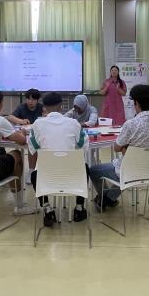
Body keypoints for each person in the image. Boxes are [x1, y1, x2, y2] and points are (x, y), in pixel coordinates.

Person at [88, 84, 149, 210]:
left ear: (137, 103)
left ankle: (105, 199)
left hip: (129, 170)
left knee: (93, 170)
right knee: (124, 170)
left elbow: (117, 148)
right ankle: (109, 199)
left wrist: (127, 149)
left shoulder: (131, 124)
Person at [28, 92, 88, 227]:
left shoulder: (37, 124)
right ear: (61, 107)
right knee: (85, 168)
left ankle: (47, 208)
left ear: (44, 107)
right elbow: (83, 145)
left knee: (34, 175)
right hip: (72, 177)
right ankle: (79, 208)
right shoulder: (74, 123)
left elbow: (33, 148)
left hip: (47, 177)